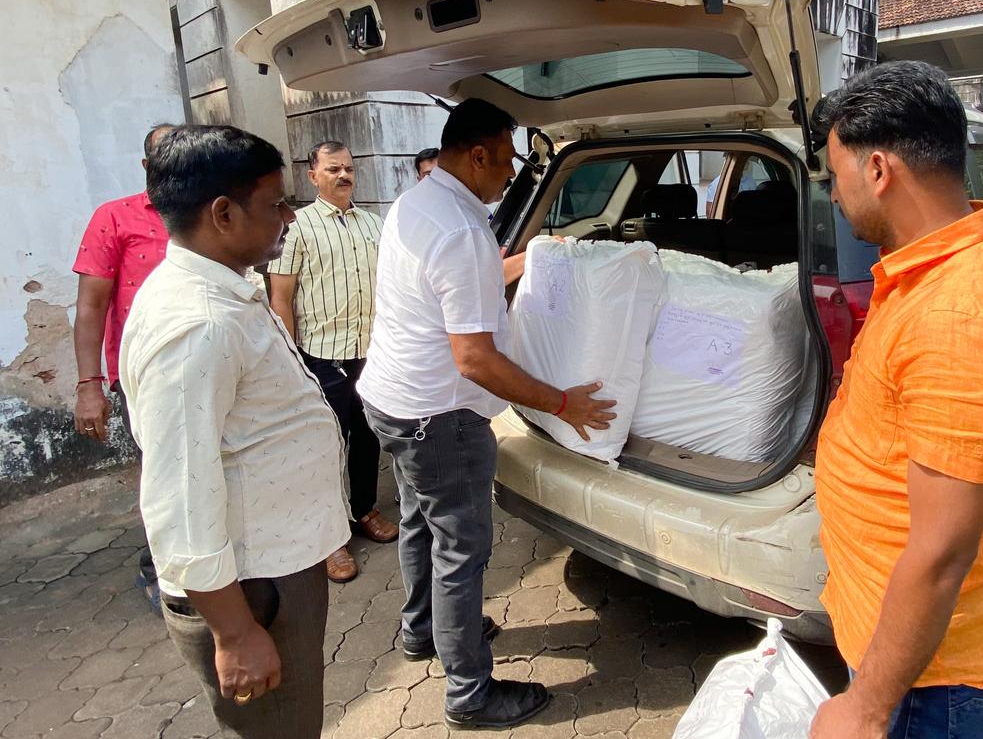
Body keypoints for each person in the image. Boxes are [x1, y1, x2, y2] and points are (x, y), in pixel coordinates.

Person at [808, 61, 983, 739]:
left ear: (878, 169)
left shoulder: (962, 317)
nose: (833, 194)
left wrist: (865, 707)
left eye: (835, 175)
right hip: (900, 648)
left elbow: (941, 554)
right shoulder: (927, 271)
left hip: (926, 683)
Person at [358, 98, 615, 730]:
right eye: (505, 160)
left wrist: (532, 258)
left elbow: (460, 286)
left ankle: (423, 630)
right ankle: (469, 695)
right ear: (477, 155)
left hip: (392, 403)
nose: (511, 173)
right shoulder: (462, 231)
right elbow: (474, 359)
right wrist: (563, 403)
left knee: (420, 523)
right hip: (439, 419)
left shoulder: (417, 203)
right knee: (460, 551)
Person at [121, 125, 349, 739]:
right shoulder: (198, 324)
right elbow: (179, 497)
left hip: (270, 570)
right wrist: (235, 632)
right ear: (223, 214)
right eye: (275, 204)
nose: (289, 217)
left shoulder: (219, 289)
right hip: (251, 592)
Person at [267, 141, 397, 583]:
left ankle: (364, 510)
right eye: (333, 169)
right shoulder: (298, 227)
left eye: (348, 169)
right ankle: (328, 538)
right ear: (313, 176)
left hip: (371, 355)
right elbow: (281, 298)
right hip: (321, 357)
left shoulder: (373, 224)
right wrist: (291, 362)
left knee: (367, 437)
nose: (343, 176)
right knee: (324, 446)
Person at [72, 122, 174, 609]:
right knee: (162, 472)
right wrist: (88, 385)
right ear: (147, 165)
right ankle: (161, 569)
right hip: (142, 374)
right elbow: (91, 306)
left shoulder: (203, 213)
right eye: (167, 156)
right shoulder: (114, 217)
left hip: (204, 364)